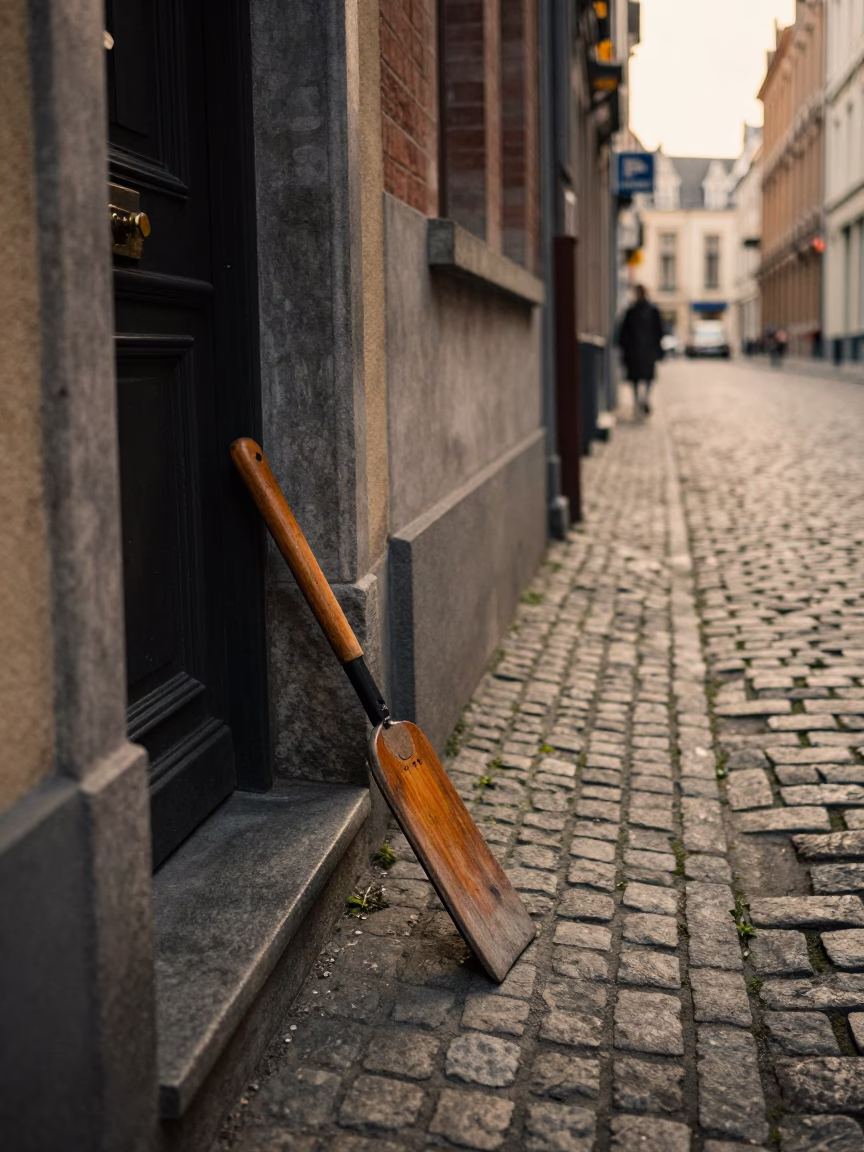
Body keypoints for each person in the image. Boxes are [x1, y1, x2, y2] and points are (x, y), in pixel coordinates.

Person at [619, 285, 664, 415]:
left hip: (647, 351)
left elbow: (659, 331)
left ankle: (644, 400)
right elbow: (624, 332)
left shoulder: (651, 311)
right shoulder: (632, 311)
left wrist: (657, 349)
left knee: (647, 377)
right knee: (636, 378)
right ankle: (637, 402)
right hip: (635, 351)